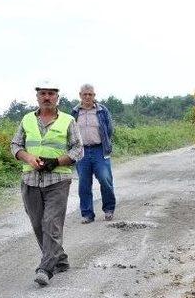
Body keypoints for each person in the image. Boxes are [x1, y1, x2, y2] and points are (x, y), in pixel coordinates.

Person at [11, 81, 83, 286]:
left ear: (57, 98)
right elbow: (15, 144)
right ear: (37, 97)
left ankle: (45, 268)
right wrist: (27, 158)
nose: (47, 97)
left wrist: (57, 161)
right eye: (43, 93)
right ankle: (59, 259)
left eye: (51, 94)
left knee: (51, 223)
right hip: (30, 180)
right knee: (37, 224)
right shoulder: (26, 120)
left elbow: (78, 149)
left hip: (58, 179)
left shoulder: (68, 121)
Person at [70, 84, 116, 224]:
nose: (88, 97)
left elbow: (109, 130)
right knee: (84, 183)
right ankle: (87, 214)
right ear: (80, 95)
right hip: (81, 151)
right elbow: (70, 132)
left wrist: (103, 143)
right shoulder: (74, 112)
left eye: (90, 94)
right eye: (85, 94)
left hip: (99, 150)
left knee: (105, 179)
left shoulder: (102, 110)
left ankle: (109, 209)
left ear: (94, 95)